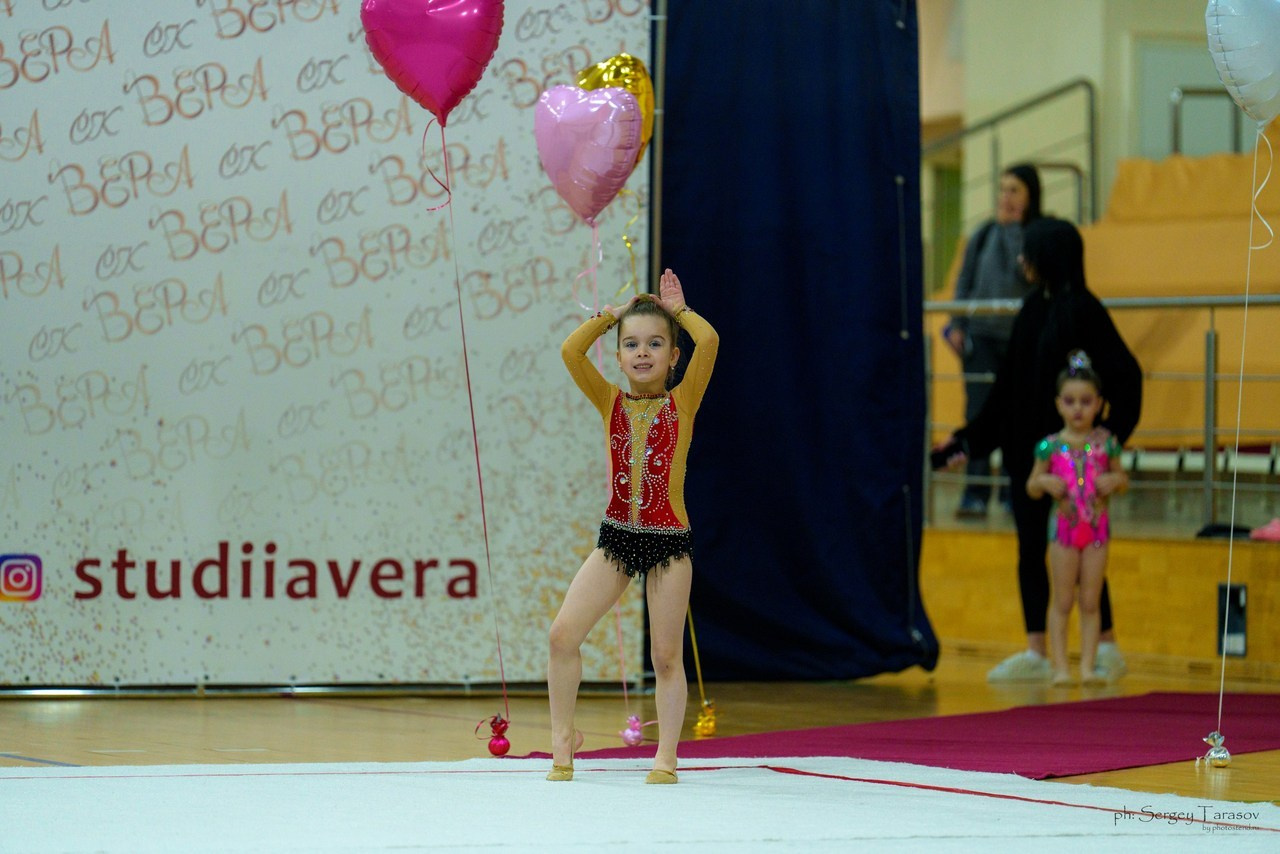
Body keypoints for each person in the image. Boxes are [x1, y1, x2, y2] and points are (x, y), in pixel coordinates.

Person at [938, 217, 1142, 682]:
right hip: (1032, 457)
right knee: (1033, 548)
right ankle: (1038, 650)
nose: (1020, 260)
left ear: (1048, 256)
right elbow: (1008, 387)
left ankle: (1105, 646)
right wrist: (970, 438)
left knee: (1085, 548)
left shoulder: (1085, 311)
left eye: (1028, 251)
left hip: (1077, 466)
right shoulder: (1033, 309)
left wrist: (1106, 438)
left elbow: (1126, 377)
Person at [547, 268, 718, 783]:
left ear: (673, 356)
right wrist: (612, 316)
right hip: (617, 538)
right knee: (562, 636)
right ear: (619, 355)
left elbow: (709, 339)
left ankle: (665, 755)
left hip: (669, 543)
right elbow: (570, 353)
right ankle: (562, 742)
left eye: (655, 343)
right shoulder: (610, 402)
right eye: (631, 345)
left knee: (666, 656)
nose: (642, 352)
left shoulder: (682, 402)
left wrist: (679, 311)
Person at [945, 164, 1042, 518]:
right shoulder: (982, 234)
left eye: (1014, 190)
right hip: (982, 337)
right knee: (979, 414)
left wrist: (1016, 230)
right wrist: (957, 323)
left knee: (1019, 416)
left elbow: (1026, 274)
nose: (1006, 197)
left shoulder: (1036, 234)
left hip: (1020, 339)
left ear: (1030, 195)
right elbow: (964, 281)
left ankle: (1013, 491)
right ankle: (975, 492)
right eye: (1002, 189)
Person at [1027, 351, 1129, 686]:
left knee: (1089, 599)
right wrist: (1044, 482)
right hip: (1064, 531)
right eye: (1070, 401)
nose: (1077, 409)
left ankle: (1087, 666)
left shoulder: (1107, 444)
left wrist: (1114, 481)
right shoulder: (1049, 446)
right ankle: (1060, 668)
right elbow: (1031, 485)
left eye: (1085, 401)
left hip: (1097, 529)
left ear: (1098, 403)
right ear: (1058, 404)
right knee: (1063, 599)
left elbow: (1123, 480)